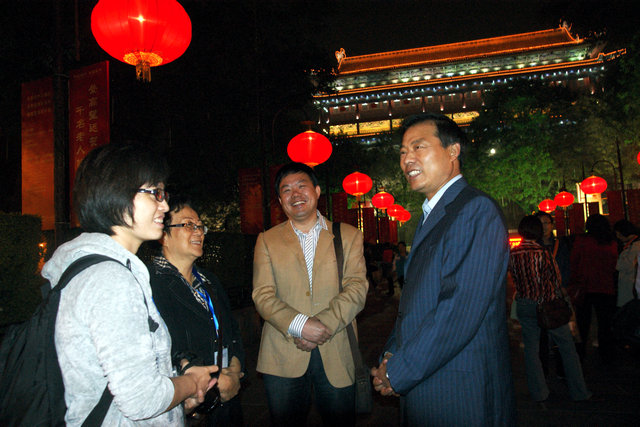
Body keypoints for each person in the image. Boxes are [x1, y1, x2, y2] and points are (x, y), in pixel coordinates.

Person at [42, 143, 218, 426]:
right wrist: (191, 383)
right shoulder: (111, 280)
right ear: (117, 194)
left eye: (164, 194)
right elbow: (142, 399)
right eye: (155, 193)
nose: (164, 206)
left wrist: (176, 397)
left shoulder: (91, 268)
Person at [371, 113, 515, 426]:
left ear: (453, 151)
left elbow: (459, 309)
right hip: (427, 379)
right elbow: (416, 305)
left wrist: (399, 371)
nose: (407, 159)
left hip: (459, 388)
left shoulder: (475, 210)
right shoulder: (433, 215)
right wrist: (391, 355)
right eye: (403, 152)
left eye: (418, 147)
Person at [252, 162, 368, 426]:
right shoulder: (267, 240)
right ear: (280, 200)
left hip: (336, 347)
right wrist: (301, 325)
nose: (295, 194)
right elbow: (263, 294)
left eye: (301, 186)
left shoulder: (348, 236)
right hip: (282, 354)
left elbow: (357, 288)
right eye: (286, 190)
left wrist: (322, 325)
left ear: (316, 191)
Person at [149, 195, 245, 426]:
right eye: (188, 225)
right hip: (186, 404)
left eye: (200, 226)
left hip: (226, 399)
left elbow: (232, 331)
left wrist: (234, 372)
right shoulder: (151, 284)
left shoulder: (209, 281)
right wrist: (211, 383)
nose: (198, 232)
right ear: (164, 235)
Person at [509, 215, 591, 402]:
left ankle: (539, 392)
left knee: (531, 350)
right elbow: (556, 279)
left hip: (525, 305)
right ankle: (579, 391)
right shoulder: (543, 253)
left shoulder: (512, 253)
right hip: (548, 305)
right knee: (567, 347)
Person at [570, 214, 618, 365]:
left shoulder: (582, 241)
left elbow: (574, 261)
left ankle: (580, 353)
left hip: (585, 286)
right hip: (606, 286)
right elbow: (614, 264)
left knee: (583, 322)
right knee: (605, 323)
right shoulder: (611, 242)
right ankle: (606, 355)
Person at [534, 211, 571, 378]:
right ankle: (544, 370)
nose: (544, 227)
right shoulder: (535, 246)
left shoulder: (560, 244)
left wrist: (563, 286)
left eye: (547, 223)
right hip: (540, 294)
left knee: (562, 331)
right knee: (542, 333)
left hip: (558, 293)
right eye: (540, 223)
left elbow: (567, 266)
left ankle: (562, 369)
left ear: (552, 225)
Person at [613, 219, 640, 308]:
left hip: (629, 287)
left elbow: (622, 265)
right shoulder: (633, 245)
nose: (617, 237)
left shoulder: (634, 247)